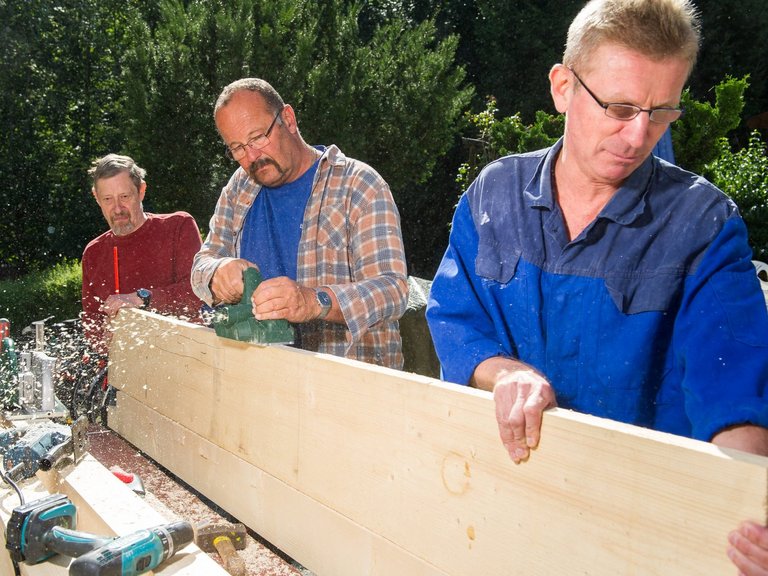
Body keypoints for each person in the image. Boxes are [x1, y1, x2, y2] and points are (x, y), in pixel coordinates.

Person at [425, 0, 768, 571]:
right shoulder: (493, 198)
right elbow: (455, 321)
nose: (639, 136)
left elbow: (734, 396)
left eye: (661, 113)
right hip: (502, 506)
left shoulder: (703, 225)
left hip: (645, 530)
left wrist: (749, 508)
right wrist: (508, 373)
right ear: (563, 87)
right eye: (620, 106)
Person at [190, 78, 408, 368]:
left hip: (347, 387)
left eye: (258, 138)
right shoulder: (239, 189)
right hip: (259, 379)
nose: (252, 156)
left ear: (288, 120)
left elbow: (393, 291)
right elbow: (202, 264)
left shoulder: (358, 185)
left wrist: (314, 301)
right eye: (238, 148)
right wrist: (218, 272)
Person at [82, 154, 203, 353]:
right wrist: (103, 339)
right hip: (124, 373)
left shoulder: (178, 226)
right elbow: (92, 325)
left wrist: (142, 299)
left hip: (185, 361)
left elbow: (198, 294)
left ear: (141, 191)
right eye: (108, 199)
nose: (118, 208)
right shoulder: (93, 253)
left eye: (125, 197)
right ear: (96, 198)